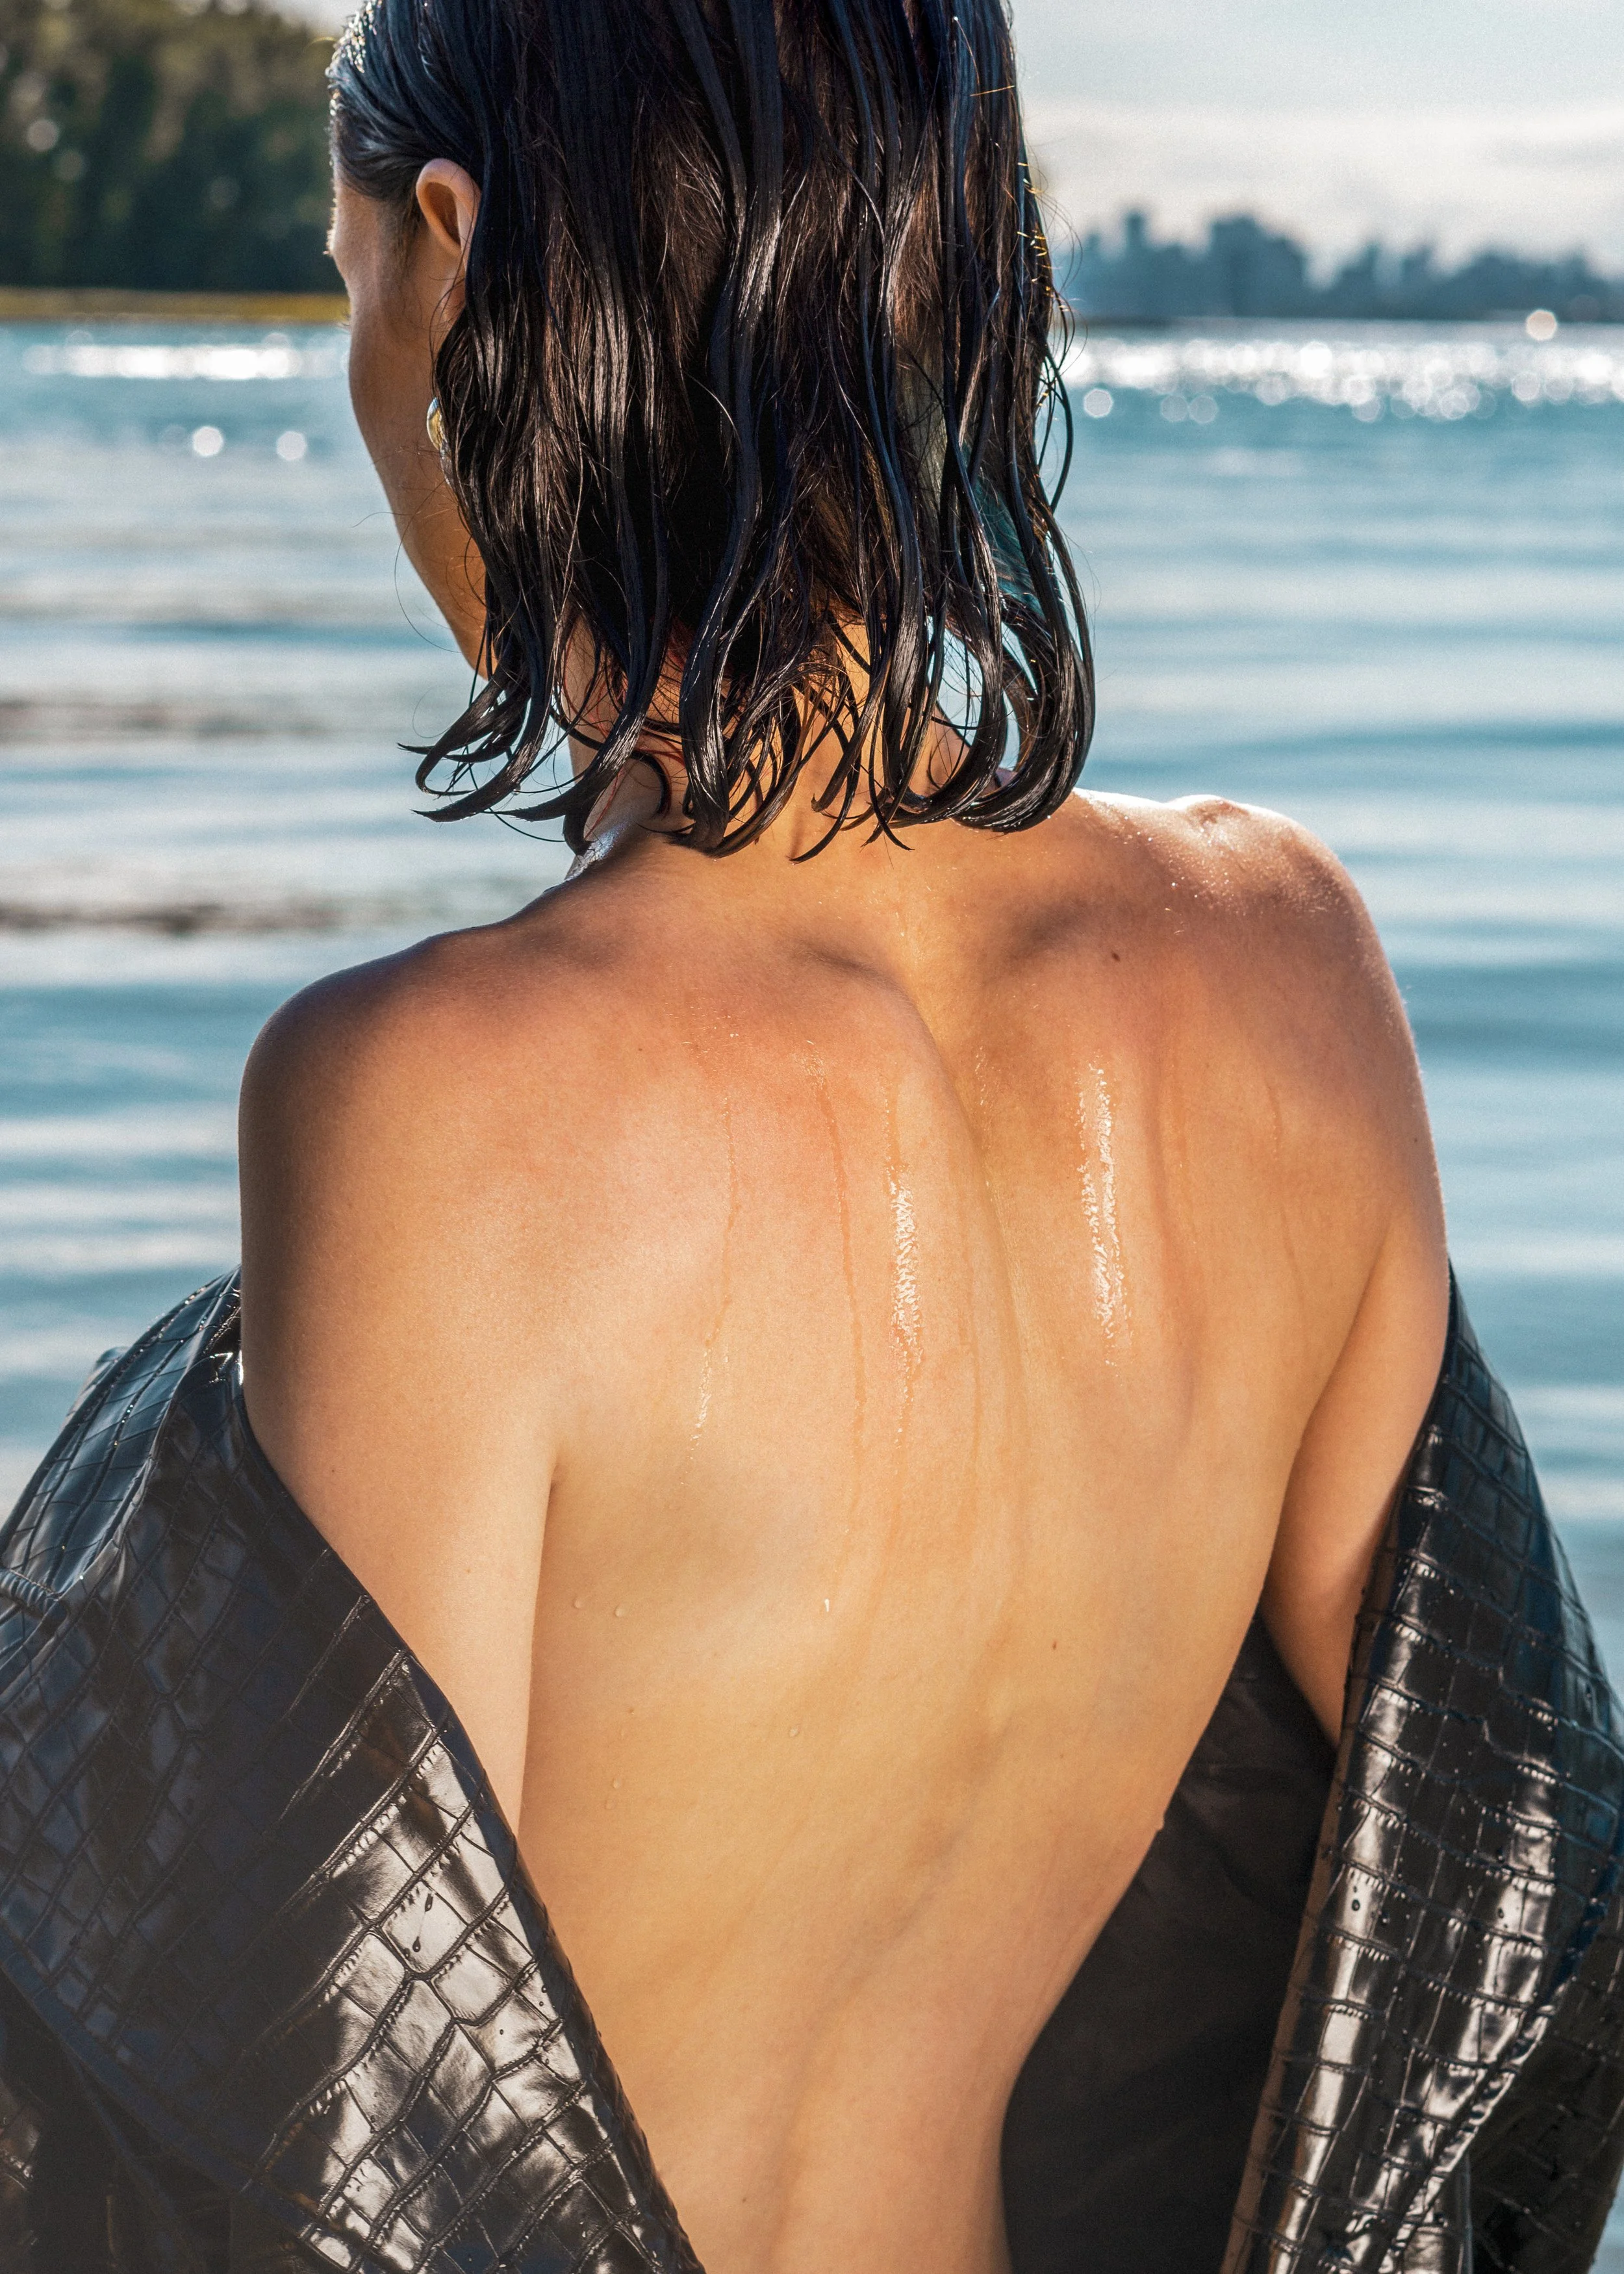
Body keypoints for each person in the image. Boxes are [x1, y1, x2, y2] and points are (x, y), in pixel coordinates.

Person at [1, 2, 1623, 2269]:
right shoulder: (1296, 973)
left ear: (450, 258)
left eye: (348, 274)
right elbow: (1493, 1890)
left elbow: (321, 2156)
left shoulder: (427, 1107)